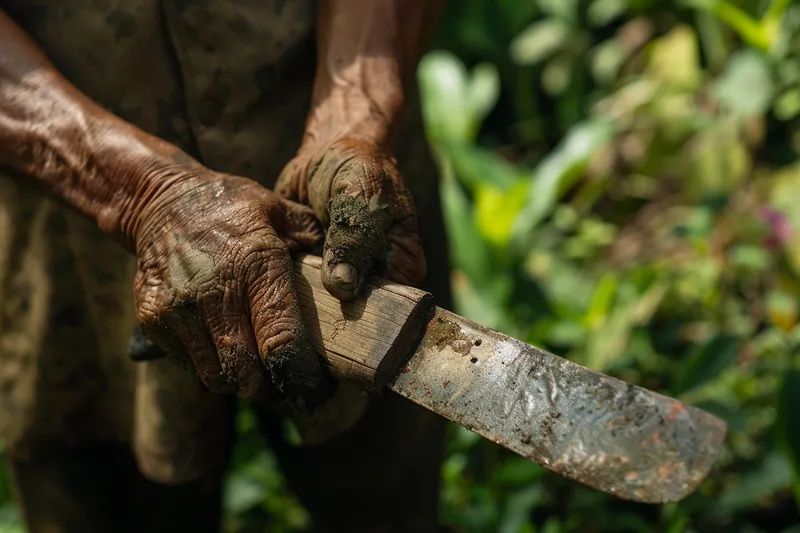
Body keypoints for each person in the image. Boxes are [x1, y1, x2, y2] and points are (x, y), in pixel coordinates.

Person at [0, 1, 453, 531]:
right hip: (70, 228)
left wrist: (358, 115)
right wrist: (143, 192)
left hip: (341, 178)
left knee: (384, 497)